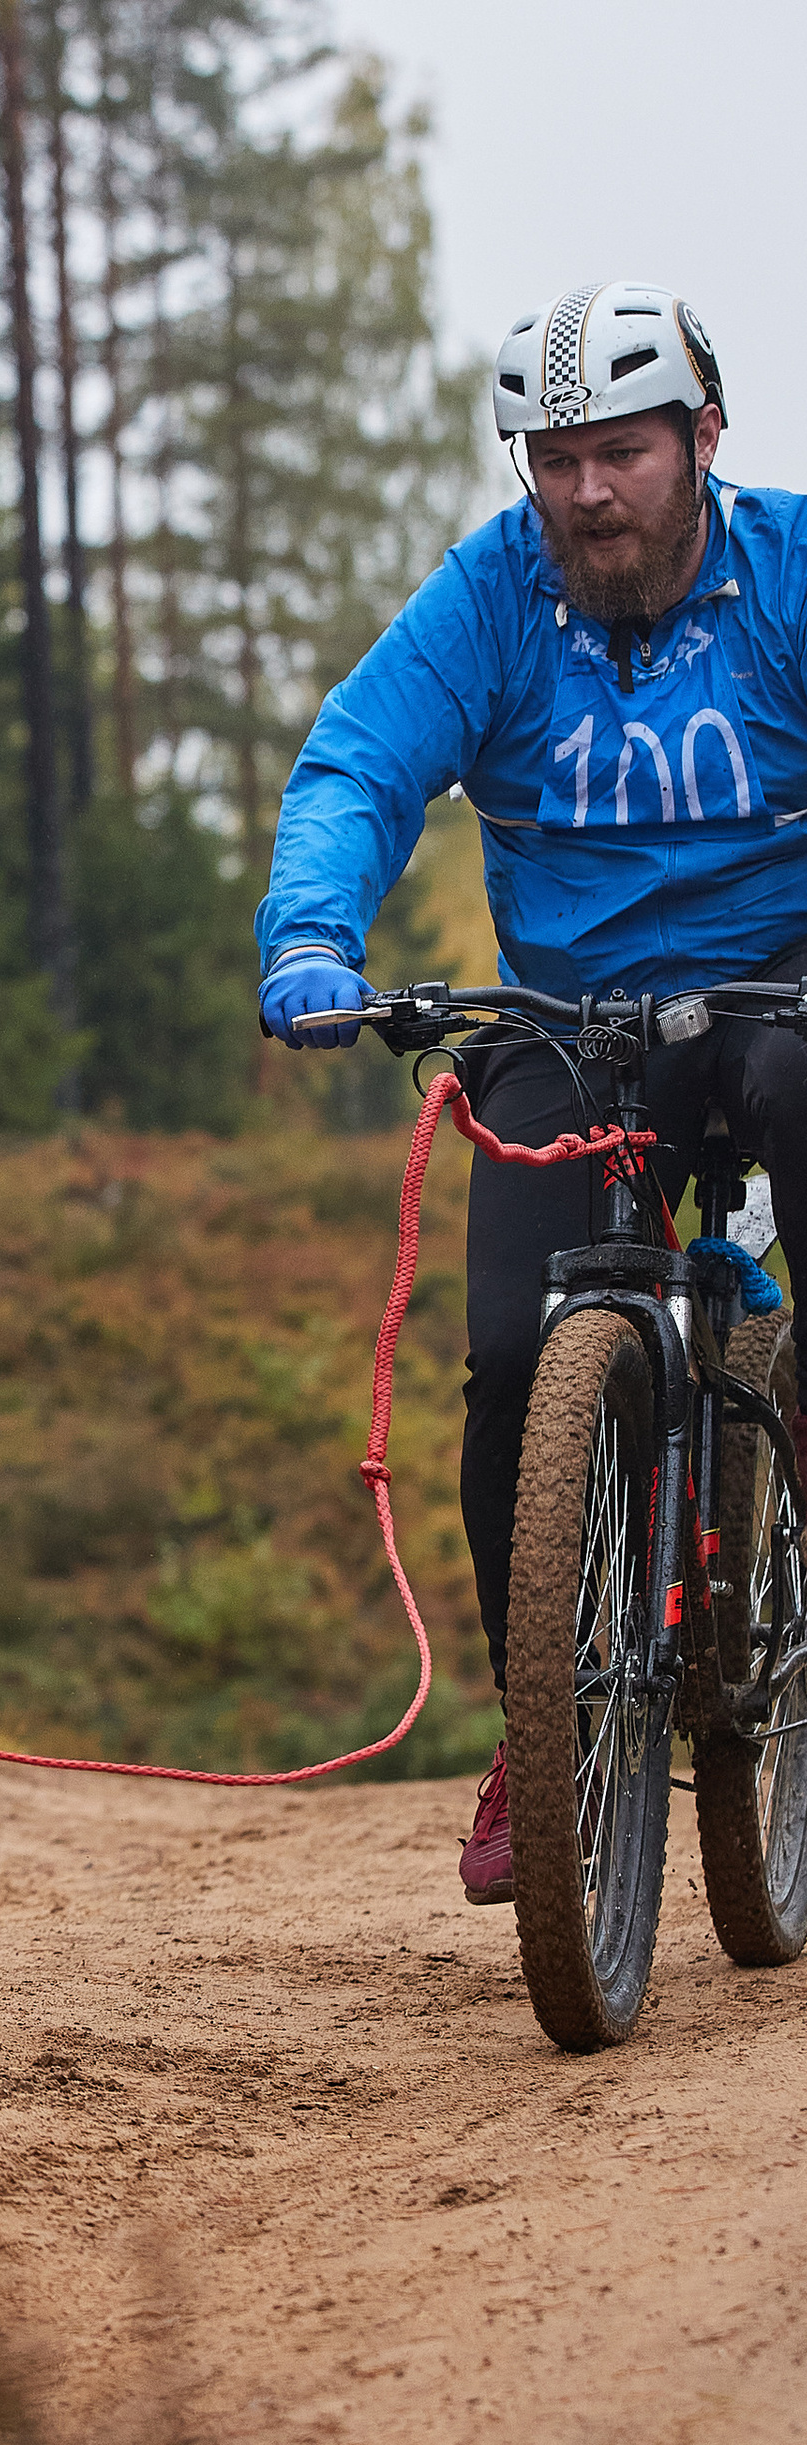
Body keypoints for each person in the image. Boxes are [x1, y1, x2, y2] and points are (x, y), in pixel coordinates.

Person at [257, 281, 807, 1905]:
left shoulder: (784, 576)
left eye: (621, 454)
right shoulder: (493, 597)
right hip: (569, 1022)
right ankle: (551, 1718)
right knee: (511, 1359)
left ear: (703, 439)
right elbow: (361, 760)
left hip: (779, 996)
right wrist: (310, 936)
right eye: (553, 460)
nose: (586, 493)